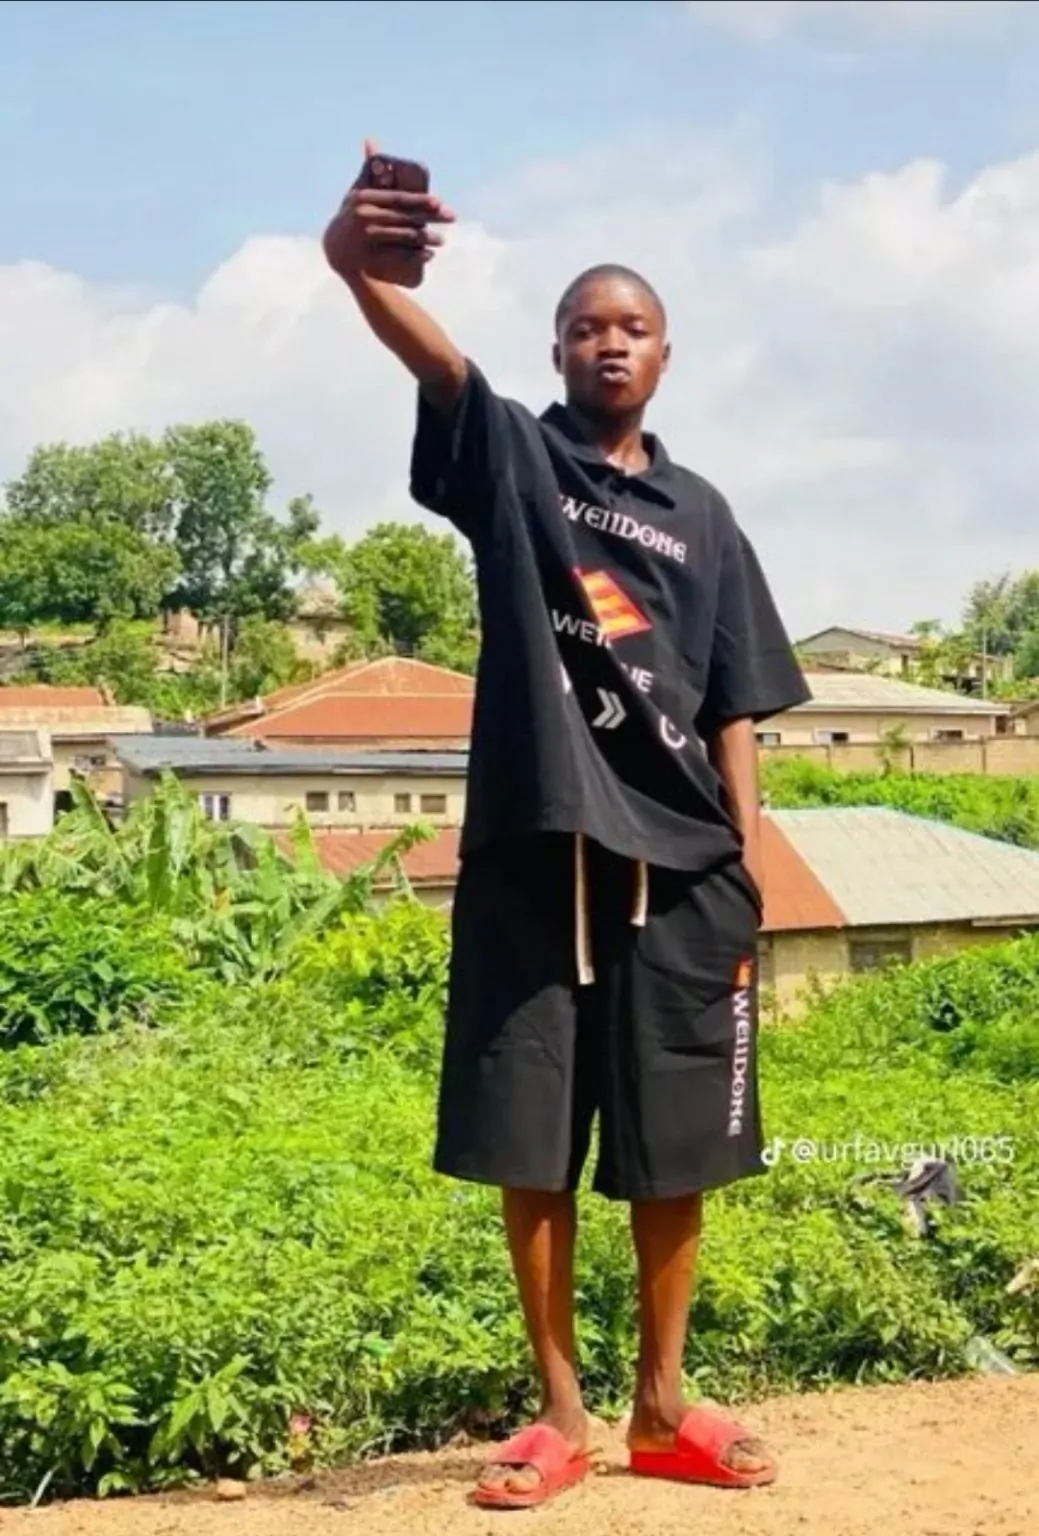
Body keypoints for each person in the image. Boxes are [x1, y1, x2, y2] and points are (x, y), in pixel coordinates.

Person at [323, 142, 811, 1511]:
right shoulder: (518, 463)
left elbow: (736, 701)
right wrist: (355, 268)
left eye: (633, 326)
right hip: (538, 857)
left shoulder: (703, 515)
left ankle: (663, 1404)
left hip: (684, 876)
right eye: (586, 325)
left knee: (679, 1147)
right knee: (527, 1141)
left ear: (665, 353)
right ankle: (559, 1414)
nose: (610, 342)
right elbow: (439, 364)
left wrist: (745, 860)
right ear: (556, 349)